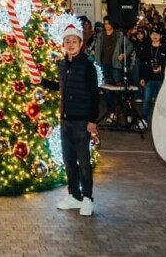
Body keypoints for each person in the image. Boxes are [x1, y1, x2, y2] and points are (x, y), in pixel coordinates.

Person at [41, 22, 99, 217]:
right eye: (67, 41)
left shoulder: (87, 65)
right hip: (65, 120)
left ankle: (88, 198)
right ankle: (74, 195)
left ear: (81, 43)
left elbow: (94, 93)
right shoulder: (63, 64)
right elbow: (60, 86)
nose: (71, 44)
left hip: (82, 121)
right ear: (63, 44)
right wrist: (41, 81)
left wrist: (92, 120)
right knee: (68, 160)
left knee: (84, 161)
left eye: (74, 41)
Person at [138, 28, 166, 124]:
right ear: (150, 36)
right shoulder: (146, 48)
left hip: (161, 79)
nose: (154, 36)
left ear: (161, 36)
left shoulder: (165, 49)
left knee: (161, 101)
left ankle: (161, 121)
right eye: (153, 34)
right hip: (148, 78)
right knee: (146, 100)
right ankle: (144, 120)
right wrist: (141, 77)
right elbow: (142, 64)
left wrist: (162, 68)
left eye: (157, 34)